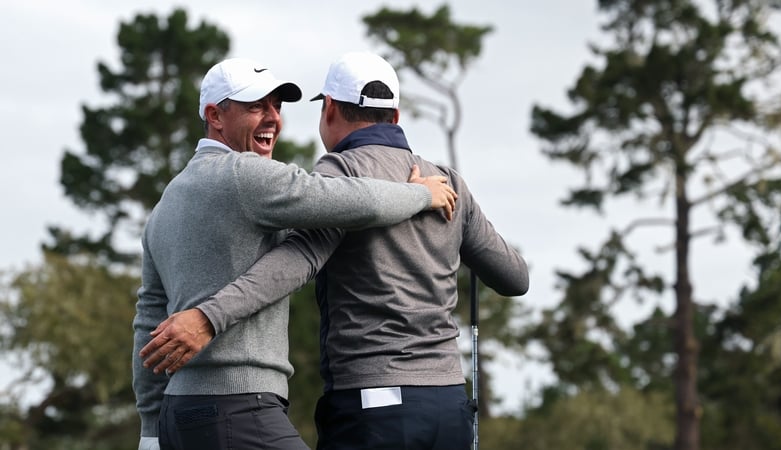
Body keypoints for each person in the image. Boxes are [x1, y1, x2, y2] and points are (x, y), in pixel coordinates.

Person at [140, 52, 529, 449]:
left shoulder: (336, 173)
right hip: (449, 404)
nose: (273, 116)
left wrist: (206, 320)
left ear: (328, 109)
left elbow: (295, 263)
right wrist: (428, 202)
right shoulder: (446, 183)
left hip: (368, 406)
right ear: (395, 117)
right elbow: (515, 278)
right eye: (258, 105)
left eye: (275, 106)